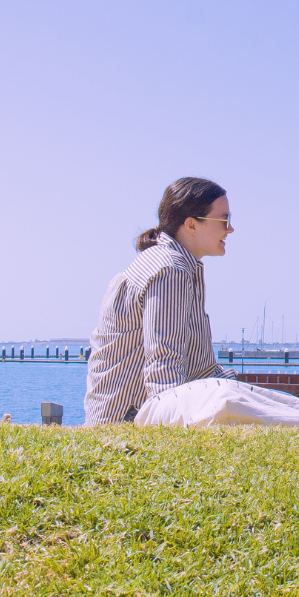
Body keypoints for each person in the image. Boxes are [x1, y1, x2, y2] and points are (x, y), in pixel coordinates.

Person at [84, 177, 237, 425]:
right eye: (224, 220)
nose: (230, 229)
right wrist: (173, 434)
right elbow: (164, 365)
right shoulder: (170, 270)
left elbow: (201, 368)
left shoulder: (175, 264)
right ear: (191, 225)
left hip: (122, 417)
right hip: (129, 425)